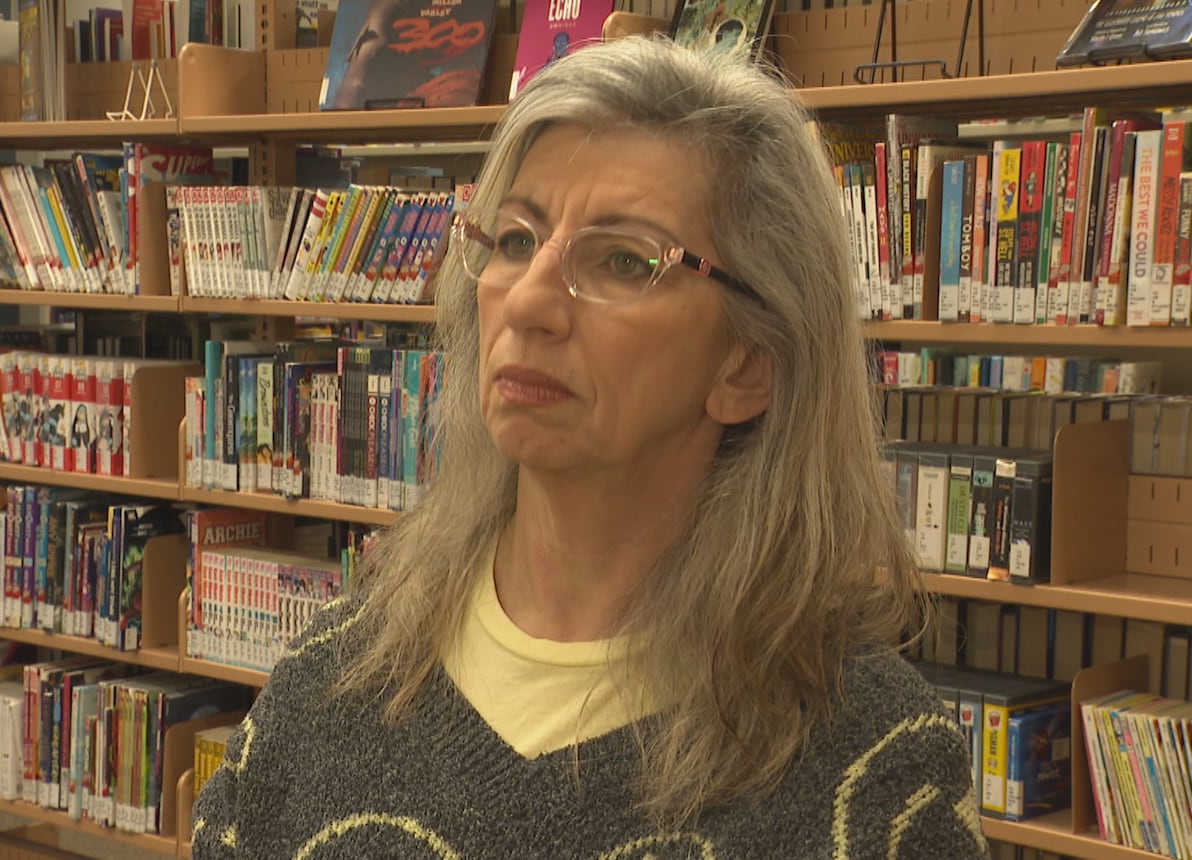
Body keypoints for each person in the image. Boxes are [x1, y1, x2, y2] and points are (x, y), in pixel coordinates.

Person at [192, 35, 987, 858]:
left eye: (621, 260)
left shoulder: (877, 768)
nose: (530, 301)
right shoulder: (329, 685)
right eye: (513, 239)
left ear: (747, 366)